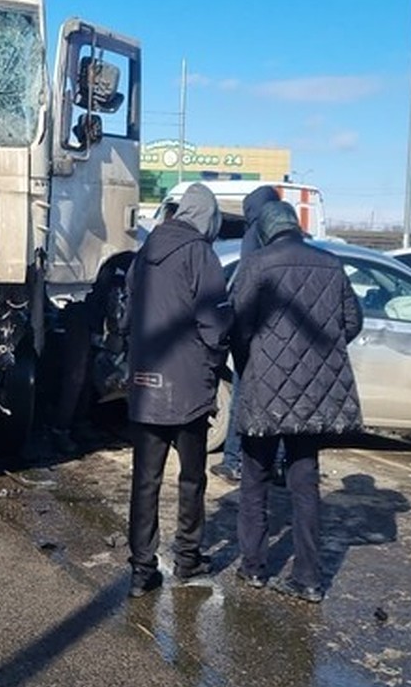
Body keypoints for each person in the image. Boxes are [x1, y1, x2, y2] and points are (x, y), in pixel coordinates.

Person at [230, 200, 362, 603]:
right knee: (305, 484)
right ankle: (308, 579)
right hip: (314, 396)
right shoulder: (331, 264)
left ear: (267, 230)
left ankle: (253, 568)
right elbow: (353, 321)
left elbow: (237, 324)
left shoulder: (256, 264)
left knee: (255, 480)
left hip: (264, 391)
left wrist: (249, 360)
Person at [122, 182, 232, 597]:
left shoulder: (144, 253)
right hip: (187, 387)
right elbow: (214, 324)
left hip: (145, 384)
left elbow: (126, 317)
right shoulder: (200, 253)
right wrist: (216, 354)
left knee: (145, 480)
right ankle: (187, 557)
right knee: (191, 478)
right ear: (206, 217)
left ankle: (140, 570)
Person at [213, 184, 280, 485]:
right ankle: (276, 464)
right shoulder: (281, 237)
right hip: (281, 338)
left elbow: (244, 286)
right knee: (278, 402)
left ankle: (233, 460)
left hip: (253, 335)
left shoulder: (252, 237)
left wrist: (238, 339)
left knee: (241, 398)